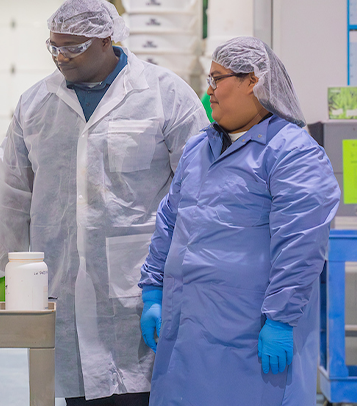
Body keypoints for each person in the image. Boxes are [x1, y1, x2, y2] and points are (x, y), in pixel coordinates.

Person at [0, 0, 209, 405]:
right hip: (62, 284)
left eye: (73, 47)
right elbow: (11, 192)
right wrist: (5, 268)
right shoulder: (35, 104)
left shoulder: (166, 95)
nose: (60, 57)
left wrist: (190, 278)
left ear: (107, 40)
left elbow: (199, 193)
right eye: (53, 46)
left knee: (146, 391)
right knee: (79, 391)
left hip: (142, 289)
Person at [138, 36, 341, 406]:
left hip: (249, 335)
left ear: (254, 81)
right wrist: (153, 290)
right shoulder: (200, 148)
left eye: (218, 78)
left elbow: (301, 245)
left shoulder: (292, 154)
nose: (210, 90)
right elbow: (169, 221)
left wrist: (280, 319)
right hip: (187, 330)